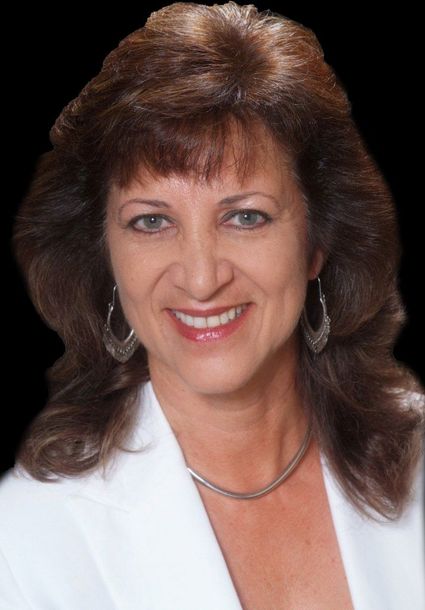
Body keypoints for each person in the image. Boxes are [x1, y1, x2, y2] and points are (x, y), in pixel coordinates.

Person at [1, 2, 424, 608]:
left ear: (318, 242)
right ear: (104, 255)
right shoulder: (22, 546)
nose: (201, 279)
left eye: (245, 216)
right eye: (151, 221)